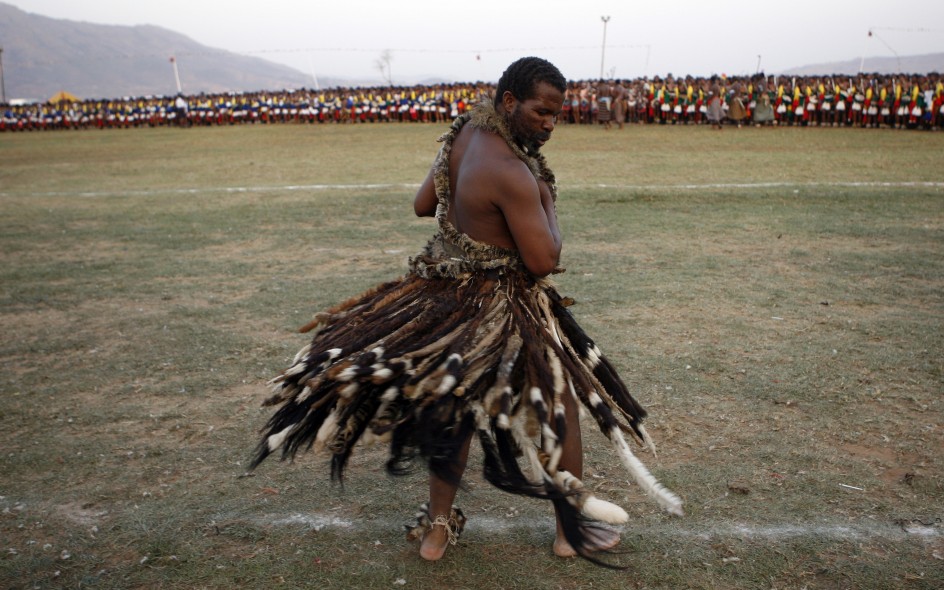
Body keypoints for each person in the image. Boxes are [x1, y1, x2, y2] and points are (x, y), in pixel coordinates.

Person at [248, 56, 682, 566]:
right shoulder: (516, 174)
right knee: (559, 407)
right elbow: (543, 261)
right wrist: (547, 202)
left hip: (441, 295)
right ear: (509, 101)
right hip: (499, 304)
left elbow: (421, 203)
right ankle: (570, 531)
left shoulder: (465, 133)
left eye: (557, 114)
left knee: (451, 411)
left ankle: (436, 533)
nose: (550, 123)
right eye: (541, 112)